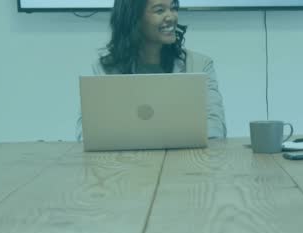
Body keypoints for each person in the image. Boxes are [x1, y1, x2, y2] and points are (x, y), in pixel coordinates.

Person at [78, 0, 226, 140]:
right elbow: (87, 134)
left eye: (173, 8)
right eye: (160, 10)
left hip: (187, 160)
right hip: (124, 161)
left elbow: (215, 129)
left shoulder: (200, 65)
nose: (171, 17)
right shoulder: (105, 70)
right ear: (134, 18)